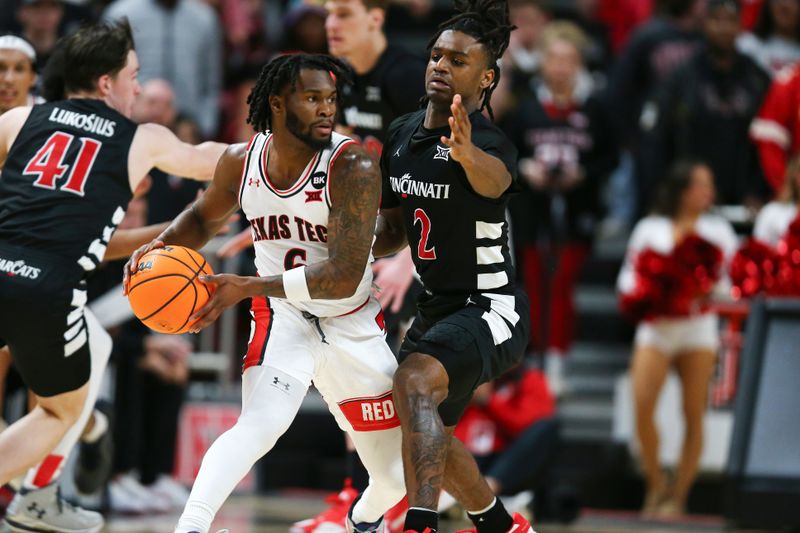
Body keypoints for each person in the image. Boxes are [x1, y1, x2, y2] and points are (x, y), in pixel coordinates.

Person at [121, 53, 407, 533]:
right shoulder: (241, 161)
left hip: (349, 319)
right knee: (262, 423)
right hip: (284, 316)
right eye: (312, 98)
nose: (325, 109)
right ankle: (190, 526)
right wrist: (157, 248)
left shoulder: (351, 162)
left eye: (331, 99)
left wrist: (245, 286)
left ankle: (361, 521)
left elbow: (340, 275)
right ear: (277, 103)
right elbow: (200, 219)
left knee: (394, 478)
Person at [0, 20, 226, 532]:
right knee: (59, 412)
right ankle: (38, 495)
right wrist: (272, 153)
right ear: (107, 83)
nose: (139, 87)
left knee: (92, 351)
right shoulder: (140, 138)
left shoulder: (20, 119)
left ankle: (42, 496)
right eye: (134, 75)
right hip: (47, 288)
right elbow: (208, 160)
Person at [373, 0, 535, 532]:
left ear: (486, 77)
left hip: (491, 307)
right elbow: (394, 231)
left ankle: (420, 524)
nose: (441, 65)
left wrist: (466, 155)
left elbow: (496, 181)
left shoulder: (487, 143)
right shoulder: (399, 135)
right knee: (430, 432)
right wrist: (343, 247)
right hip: (438, 307)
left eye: (458, 60)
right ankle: (500, 525)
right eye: (436, 55)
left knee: (414, 381)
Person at [289, 1, 427, 531]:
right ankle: (361, 497)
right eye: (328, 15)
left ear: (376, 18)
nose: (331, 25)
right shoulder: (337, 82)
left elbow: (442, 183)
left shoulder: (408, 78)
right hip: (373, 241)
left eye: (344, 13)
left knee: (396, 384)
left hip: (426, 245)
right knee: (357, 379)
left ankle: (398, 500)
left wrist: (412, 259)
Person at [616, 160, 738, 517]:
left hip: (698, 330)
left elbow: (733, 284)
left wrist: (707, 288)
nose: (709, 192)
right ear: (683, 188)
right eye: (702, 184)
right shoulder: (650, 227)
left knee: (694, 414)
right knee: (641, 406)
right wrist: (646, 293)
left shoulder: (719, 231)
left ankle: (679, 496)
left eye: (710, 185)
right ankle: (656, 482)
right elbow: (627, 277)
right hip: (656, 328)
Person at [505, 21, 617, 396]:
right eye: (553, 59)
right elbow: (505, 153)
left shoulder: (595, 108)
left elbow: (610, 156)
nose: (560, 67)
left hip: (576, 210)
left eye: (568, 60)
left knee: (563, 282)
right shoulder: (526, 108)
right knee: (534, 282)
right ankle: (534, 361)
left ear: (580, 63)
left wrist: (582, 173)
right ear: (542, 63)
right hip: (533, 210)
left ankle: (557, 359)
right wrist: (525, 170)